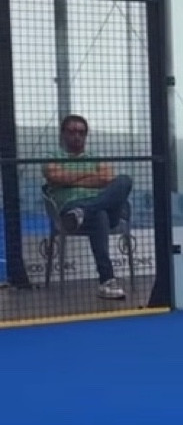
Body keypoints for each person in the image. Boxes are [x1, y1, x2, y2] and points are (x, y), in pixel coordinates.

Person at [44, 116, 133, 300]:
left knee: (124, 180)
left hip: (98, 209)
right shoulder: (53, 157)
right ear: (63, 134)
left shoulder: (96, 157)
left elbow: (107, 178)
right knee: (99, 215)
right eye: (72, 131)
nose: (77, 136)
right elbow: (56, 177)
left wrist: (70, 179)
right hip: (69, 213)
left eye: (81, 132)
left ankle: (84, 211)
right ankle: (107, 281)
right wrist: (90, 176)